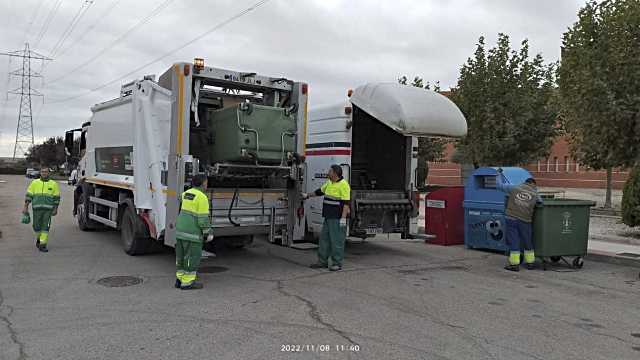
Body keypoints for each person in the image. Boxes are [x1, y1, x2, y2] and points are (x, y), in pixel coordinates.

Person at [302, 164, 351, 271]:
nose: (328, 172)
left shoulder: (344, 185)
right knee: (324, 240)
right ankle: (322, 262)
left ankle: (337, 263)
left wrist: (343, 218)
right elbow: (319, 192)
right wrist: (307, 195)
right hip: (328, 217)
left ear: (335, 173)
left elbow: (346, 204)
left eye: (330, 171)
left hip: (337, 218)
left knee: (336, 241)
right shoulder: (329, 182)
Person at [496, 168, 542, 271]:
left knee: (514, 241)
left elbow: (498, 186)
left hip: (511, 218)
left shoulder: (514, 187)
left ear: (524, 182)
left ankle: (514, 265)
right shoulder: (535, 194)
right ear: (534, 185)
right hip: (525, 220)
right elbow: (540, 203)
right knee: (527, 241)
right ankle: (530, 263)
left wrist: (498, 174)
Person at [175, 174, 212, 290]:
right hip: (192, 233)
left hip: (180, 231)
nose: (207, 184)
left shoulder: (186, 193)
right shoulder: (202, 197)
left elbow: (179, 198)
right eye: (206, 182)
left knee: (180, 257)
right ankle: (187, 282)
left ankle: (179, 279)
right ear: (202, 183)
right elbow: (203, 220)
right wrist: (207, 233)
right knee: (192, 257)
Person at [23, 167, 60, 253]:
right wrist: (25, 207)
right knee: (36, 226)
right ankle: (39, 238)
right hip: (36, 209)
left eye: (46, 172)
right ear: (40, 173)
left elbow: (56, 198)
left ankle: (43, 245)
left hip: (48, 210)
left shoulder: (53, 184)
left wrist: (55, 209)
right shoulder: (34, 183)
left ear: (48, 173)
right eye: (42, 172)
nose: (44, 173)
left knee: (45, 227)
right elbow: (29, 195)